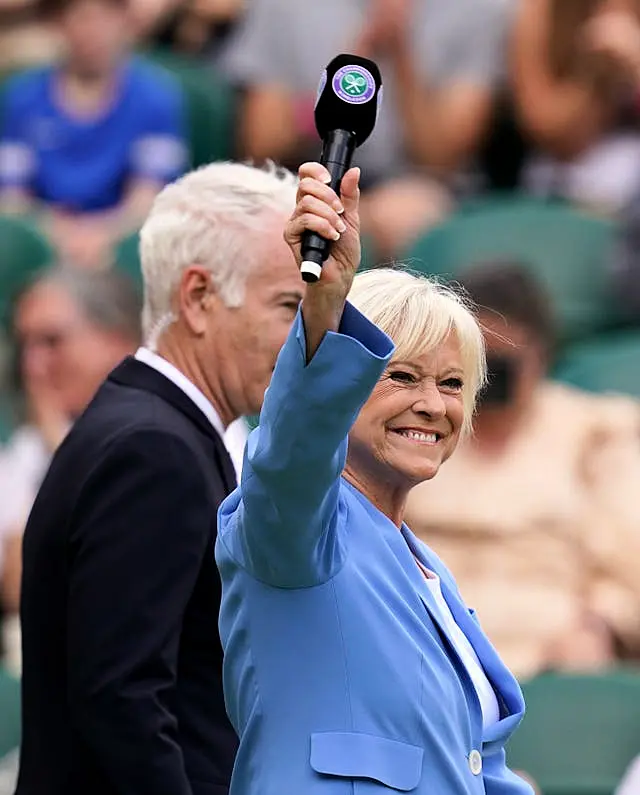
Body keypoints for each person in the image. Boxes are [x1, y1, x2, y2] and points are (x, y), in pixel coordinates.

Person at [216, 162, 534, 794]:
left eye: (451, 385)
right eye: (402, 376)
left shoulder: (426, 568)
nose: (432, 404)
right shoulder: (295, 526)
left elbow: (469, 762)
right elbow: (291, 454)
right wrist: (326, 312)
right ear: (344, 380)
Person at [16, 161, 305, 795]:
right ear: (198, 299)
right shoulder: (154, 451)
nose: (304, 339)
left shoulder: (159, 430)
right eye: (288, 306)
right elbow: (122, 701)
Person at [405, 262, 640, 679]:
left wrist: (599, 623)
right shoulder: (416, 423)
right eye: (476, 361)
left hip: (552, 652)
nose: (489, 380)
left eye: (502, 364)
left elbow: (628, 566)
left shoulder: (595, 434)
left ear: (540, 355)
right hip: (425, 643)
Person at [220, 0, 508, 257]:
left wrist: (400, 53)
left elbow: (440, 158)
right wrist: (348, 71)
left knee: (405, 214)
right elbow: (262, 142)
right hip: (312, 176)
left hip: (414, 187)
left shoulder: (477, 9)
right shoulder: (284, 6)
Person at [0, 267, 142, 674]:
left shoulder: (173, 433)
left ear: (118, 340)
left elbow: (122, 585)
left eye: (52, 341)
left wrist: (65, 454)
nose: (32, 366)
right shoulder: (30, 449)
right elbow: (20, 592)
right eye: (25, 345)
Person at [0, 0, 187, 268]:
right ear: (58, 24)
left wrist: (100, 236)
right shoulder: (21, 97)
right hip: (41, 243)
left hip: (120, 247)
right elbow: (12, 198)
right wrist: (56, 232)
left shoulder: (157, 97)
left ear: (124, 20)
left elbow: (148, 196)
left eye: (104, 17)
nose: (92, 31)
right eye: (80, 18)